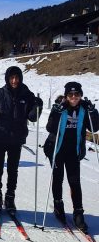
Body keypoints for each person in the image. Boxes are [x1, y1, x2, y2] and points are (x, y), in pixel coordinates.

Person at [0, 66, 42, 211]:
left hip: (17, 137)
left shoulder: (27, 95)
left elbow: (32, 118)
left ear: (20, 78)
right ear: (8, 79)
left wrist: (37, 107)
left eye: (17, 78)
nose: (14, 81)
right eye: (12, 78)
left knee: (13, 169)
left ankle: (10, 196)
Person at [44, 82, 98, 232]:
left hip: (73, 150)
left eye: (77, 94)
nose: (74, 97)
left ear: (80, 95)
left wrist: (93, 112)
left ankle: (78, 212)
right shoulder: (61, 107)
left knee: (74, 181)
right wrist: (56, 112)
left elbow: (95, 127)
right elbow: (50, 128)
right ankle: (58, 205)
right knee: (58, 177)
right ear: (66, 96)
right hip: (56, 149)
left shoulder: (84, 109)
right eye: (70, 95)